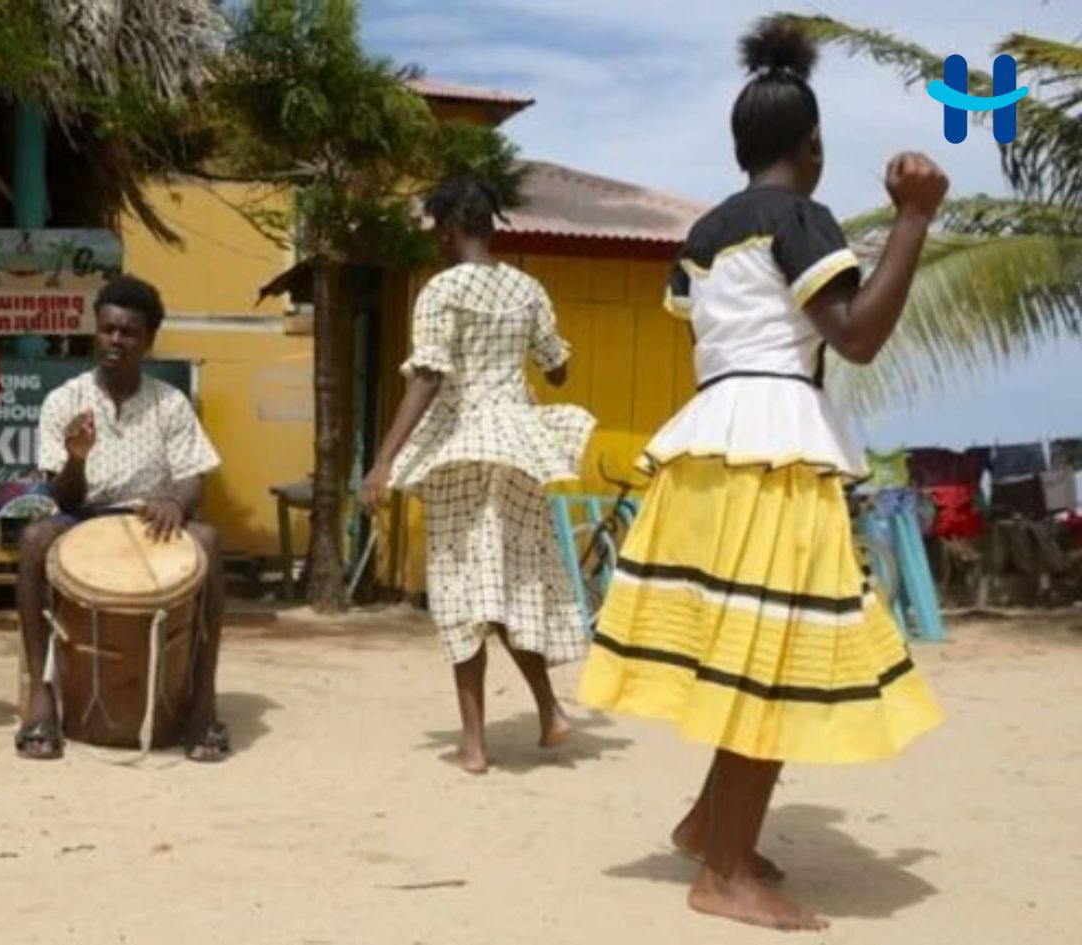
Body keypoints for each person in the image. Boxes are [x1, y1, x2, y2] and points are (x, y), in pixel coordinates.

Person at [576, 22, 948, 931]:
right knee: (772, 658)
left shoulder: (704, 235)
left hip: (715, 445)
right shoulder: (800, 218)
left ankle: (710, 824)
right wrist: (913, 219)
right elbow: (854, 333)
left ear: (739, 149)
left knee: (751, 647)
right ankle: (726, 873)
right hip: (775, 449)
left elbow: (711, 326)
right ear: (813, 147)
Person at [362, 176, 593, 775]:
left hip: (465, 449)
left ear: (447, 228)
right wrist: (534, 354)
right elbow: (559, 368)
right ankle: (550, 711)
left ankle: (475, 744)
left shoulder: (442, 290)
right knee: (510, 583)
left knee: (466, 591)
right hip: (519, 447)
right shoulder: (529, 288)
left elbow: (429, 376)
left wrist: (385, 458)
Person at [13, 275, 228, 762]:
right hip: (84, 518)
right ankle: (41, 699)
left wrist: (177, 500)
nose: (116, 340)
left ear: (148, 340)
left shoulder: (170, 402)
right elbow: (64, 499)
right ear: (96, 330)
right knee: (33, 539)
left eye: (128, 332)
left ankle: (202, 703)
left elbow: (196, 476)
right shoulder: (64, 401)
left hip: (151, 518)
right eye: (108, 329)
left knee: (210, 541)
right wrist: (77, 458)